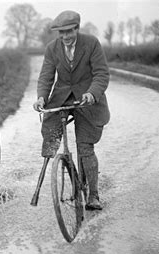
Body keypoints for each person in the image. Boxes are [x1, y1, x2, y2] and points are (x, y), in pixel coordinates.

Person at [33, 10, 110, 210]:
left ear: (77, 28)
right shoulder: (52, 48)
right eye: (62, 33)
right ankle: (58, 160)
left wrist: (92, 94)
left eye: (69, 31)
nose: (66, 36)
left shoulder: (91, 43)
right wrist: (41, 97)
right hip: (62, 97)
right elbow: (46, 76)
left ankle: (93, 195)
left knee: (85, 148)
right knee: (50, 136)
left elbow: (101, 74)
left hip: (87, 100)